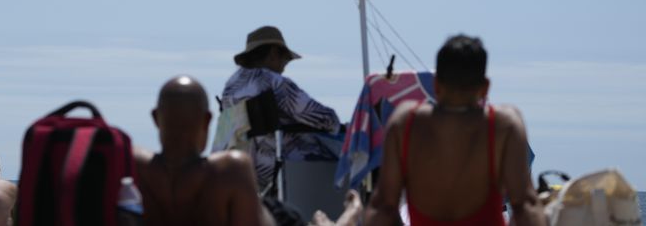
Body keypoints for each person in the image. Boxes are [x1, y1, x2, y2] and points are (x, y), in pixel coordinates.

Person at [364, 35, 546, 226]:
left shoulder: (405, 123)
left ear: (435, 85)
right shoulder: (504, 126)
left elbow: (384, 207)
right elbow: (524, 206)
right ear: (485, 88)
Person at [134, 75, 274, 226]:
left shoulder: (132, 166)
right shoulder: (231, 170)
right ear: (207, 119)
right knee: (281, 212)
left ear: (155, 117)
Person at [214, 26, 342, 191]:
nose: (284, 66)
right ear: (274, 53)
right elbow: (325, 119)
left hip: (242, 171)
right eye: (285, 59)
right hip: (282, 171)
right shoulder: (273, 82)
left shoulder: (230, 87)